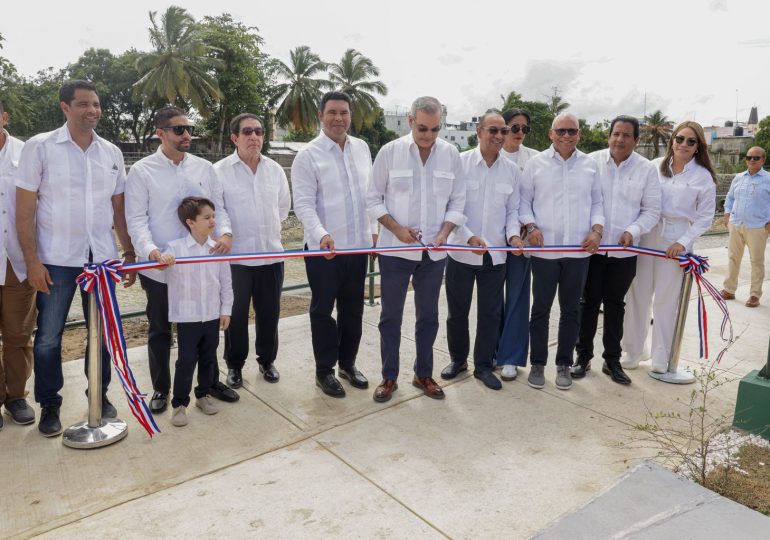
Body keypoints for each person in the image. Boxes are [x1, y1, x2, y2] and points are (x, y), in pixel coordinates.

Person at [15, 80, 135, 436]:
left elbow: (119, 211)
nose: (92, 111)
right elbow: (24, 212)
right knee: (49, 336)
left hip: (102, 261)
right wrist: (33, 263)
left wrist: (127, 252)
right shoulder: (41, 148)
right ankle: (50, 404)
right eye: (83, 104)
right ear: (65, 107)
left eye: (96, 104)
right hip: (56, 262)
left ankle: (99, 394)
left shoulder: (111, 153)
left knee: (103, 334)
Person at [126, 106, 237, 413]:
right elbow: (136, 220)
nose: (187, 134)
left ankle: (208, 385)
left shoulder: (204, 168)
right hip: (162, 267)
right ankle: (162, 389)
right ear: (160, 133)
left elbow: (220, 208)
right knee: (161, 329)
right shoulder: (142, 171)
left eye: (189, 128)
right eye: (179, 129)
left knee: (207, 332)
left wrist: (225, 234)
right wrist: (151, 252)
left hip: (202, 267)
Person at [366, 96, 465, 403]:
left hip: (434, 255)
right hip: (395, 252)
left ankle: (423, 373)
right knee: (390, 316)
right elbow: (372, 199)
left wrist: (445, 232)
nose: (429, 136)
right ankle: (389, 376)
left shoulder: (451, 155)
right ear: (410, 122)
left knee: (428, 317)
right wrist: (396, 230)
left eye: (436, 129)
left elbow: (458, 201)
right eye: (422, 128)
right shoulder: (390, 152)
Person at [291, 91, 374, 398]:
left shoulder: (362, 149)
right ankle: (324, 370)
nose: (339, 118)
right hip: (324, 250)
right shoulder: (308, 155)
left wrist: (374, 232)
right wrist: (321, 233)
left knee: (353, 310)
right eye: (333, 112)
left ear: (350, 116)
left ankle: (347, 364)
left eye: (344, 113)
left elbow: (372, 195)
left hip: (358, 246)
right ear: (320, 117)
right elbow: (303, 204)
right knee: (323, 311)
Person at [570, 116, 661, 385]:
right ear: (609, 135)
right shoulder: (590, 162)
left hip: (624, 251)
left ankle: (612, 360)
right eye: (616, 134)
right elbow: (579, 201)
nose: (620, 140)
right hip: (593, 250)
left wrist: (632, 231)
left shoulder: (646, 170)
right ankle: (582, 357)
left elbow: (652, 210)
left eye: (626, 135)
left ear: (636, 139)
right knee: (588, 305)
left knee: (615, 305)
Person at [622, 121, 717, 373]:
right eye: (679, 139)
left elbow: (705, 218)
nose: (683, 144)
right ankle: (633, 350)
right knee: (637, 294)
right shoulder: (653, 167)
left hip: (677, 239)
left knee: (666, 300)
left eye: (691, 141)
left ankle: (661, 357)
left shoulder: (703, 176)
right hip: (647, 235)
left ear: (698, 147)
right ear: (672, 140)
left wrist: (682, 242)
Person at [519, 112, 604, 391]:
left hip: (578, 253)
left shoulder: (590, 166)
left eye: (572, 131)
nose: (567, 136)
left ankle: (564, 363)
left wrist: (596, 231)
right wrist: (530, 227)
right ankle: (538, 364)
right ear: (550, 134)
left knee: (571, 311)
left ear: (579, 134)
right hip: (544, 254)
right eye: (561, 131)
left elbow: (597, 204)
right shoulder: (535, 165)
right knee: (540, 311)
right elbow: (524, 202)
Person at [440, 111, 524, 390]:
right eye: (493, 130)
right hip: (461, 253)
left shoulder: (512, 170)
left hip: (496, 256)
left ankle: (484, 365)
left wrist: (513, 236)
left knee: (490, 314)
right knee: (457, 312)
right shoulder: (460, 164)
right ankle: (458, 360)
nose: (499, 136)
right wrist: (467, 237)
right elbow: (452, 208)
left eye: (503, 130)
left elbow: (513, 211)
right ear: (479, 132)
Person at [216, 114, 290, 388]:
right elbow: (218, 210)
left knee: (269, 313)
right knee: (234, 316)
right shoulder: (220, 171)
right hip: (236, 259)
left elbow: (282, 209)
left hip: (271, 255)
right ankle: (235, 366)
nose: (254, 137)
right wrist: (230, 234)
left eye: (259, 132)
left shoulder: (275, 170)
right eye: (247, 132)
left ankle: (267, 361)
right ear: (234, 137)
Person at [160, 197, 233, 427]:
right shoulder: (175, 249)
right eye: (207, 217)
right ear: (191, 222)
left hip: (211, 314)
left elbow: (226, 282)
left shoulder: (217, 250)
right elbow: (160, 269)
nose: (213, 221)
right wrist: (164, 261)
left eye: (213, 216)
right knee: (186, 360)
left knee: (209, 357)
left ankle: (203, 395)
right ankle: (179, 404)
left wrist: (226, 310)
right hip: (188, 316)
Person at [0, 101, 37, 430]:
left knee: (18, 333)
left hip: (16, 258)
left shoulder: (26, 154)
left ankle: (16, 396)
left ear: (4, 116)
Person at [496, 108, 539, 381]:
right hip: (490, 239)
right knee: (491, 301)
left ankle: (510, 356)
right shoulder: (491, 154)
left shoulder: (534, 159)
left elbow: (532, 199)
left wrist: (528, 225)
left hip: (520, 239)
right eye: (514, 127)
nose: (520, 133)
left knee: (517, 298)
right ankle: (490, 350)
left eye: (524, 128)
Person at [720, 147, 770, 307]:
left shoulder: (768, 179)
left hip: (758, 226)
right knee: (733, 258)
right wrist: (727, 214)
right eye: (749, 157)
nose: (752, 160)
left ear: (763, 160)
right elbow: (730, 197)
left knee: (756, 261)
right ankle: (729, 289)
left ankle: (755, 294)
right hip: (736, 224)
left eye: (756, 158)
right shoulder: (738, 178)